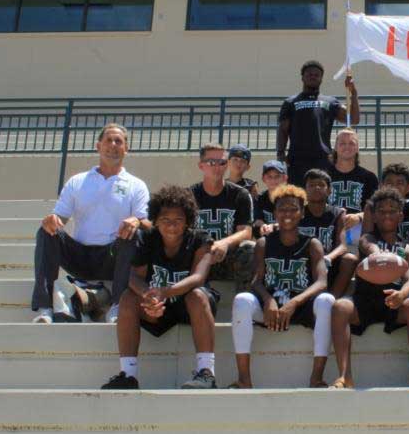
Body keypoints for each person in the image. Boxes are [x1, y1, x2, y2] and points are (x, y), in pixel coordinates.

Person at [101, 185, 218, 390]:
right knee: (128, 298)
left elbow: (198, 277)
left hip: (188, 305)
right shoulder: (147, 239)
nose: (171, 225)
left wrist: (165, 292)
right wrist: (148, 296)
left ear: (188, 220)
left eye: (178, 220)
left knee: (198, 296)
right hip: (156, 304)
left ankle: (206, 373)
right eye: (165, 220)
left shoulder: (200, 238)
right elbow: (134, 276)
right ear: (155, 220)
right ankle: (128, 375)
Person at [32, 123, 150, 324]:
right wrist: (51, 221)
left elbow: (148, 224)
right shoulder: (77, 181)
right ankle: (45, 308)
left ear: (126, 149)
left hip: (112, 258)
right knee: (45, 232)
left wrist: (137, 220)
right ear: (98, 146)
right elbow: (60, 219)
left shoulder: (136, 185)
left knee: (135, 234)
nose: (113, 145)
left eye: (118, 141)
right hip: (79, 257)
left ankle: (117, 307)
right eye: (108, 140)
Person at [230, 185, 335, 388]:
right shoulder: (263, 243)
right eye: (282, 209)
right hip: (272, 310)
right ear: (274, 213)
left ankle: (316, 378)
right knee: (242, 300)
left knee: (327, 301)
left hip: (301, 307)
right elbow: (256, 281)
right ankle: (244, 379)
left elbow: (322, 282)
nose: (287, 214)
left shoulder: (312, 244)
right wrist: (268, 300)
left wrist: (295, 302)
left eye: (293, 209)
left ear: (302, 212)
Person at [330, 188, 409, 388]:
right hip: (365, 300)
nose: (387, 214)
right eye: (382, 211)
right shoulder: (367, 239)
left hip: (393, 302)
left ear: (401, 215)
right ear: (374, 216)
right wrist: (379, 254)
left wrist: (402, 294)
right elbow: (370, 247)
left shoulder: (407, 248)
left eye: (393, 210)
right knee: (340, 307)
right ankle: (344, 376)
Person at [277, 61, 360, 186]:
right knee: (298, 198)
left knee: (321, 197)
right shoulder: (290, 102)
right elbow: (283, 129)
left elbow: (353, 119)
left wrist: (353, 93)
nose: (313, 76)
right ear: (302, 77)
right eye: (309, 74)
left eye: (317, 75)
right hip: (297, 160)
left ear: (321, 78)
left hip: (323, 160)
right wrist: (280, 154)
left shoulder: (330, 101)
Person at [190, 143, 254, 291]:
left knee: (249, 249)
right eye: (212, 162)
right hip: (199, 257)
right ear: (201, 166)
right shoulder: (189, 195)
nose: (217, 166)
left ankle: (244, 300)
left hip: (226, 257)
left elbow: (246, 232)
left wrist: (224, 243)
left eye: (222, 162)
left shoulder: (241, 195)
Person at [299, 168, 357, 299]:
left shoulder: (338, 213)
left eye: (321, 185)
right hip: (304, 263)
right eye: (312, 185)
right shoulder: (298, 213)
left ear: (329, 190)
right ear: (305, 190)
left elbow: (343, 245)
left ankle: (330, 301)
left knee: (350, 259)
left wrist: (328, 258)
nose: (316, 188)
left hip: (330, 263)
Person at [326, 128, 379, 244]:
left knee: (350, 257)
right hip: (328, 227)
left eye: (351, 143)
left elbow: (376, 209)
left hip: (355, 229)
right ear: (335, 147)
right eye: (342, 143)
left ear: (357, 148)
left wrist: (359, 217)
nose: (347, 147)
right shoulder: (324, 176)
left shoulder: (369, 177)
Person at [362, 163, 409, 246]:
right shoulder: (371, 207)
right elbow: (367, 239)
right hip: (379, 253)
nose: (394, 187)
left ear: (408, 188)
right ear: (381, 186)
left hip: (408, 254)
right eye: (389, 183)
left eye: (400, 183)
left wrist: (404, 253)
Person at [252, 160, 289, 235]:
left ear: (285, 178)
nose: (273, 180)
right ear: (263, 179)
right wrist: (263, 226)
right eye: (269, 176)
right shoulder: (259, 199)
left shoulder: (291, 200)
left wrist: (274, 227)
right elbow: (257, 220)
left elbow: (293, 222)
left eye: (277, 176)